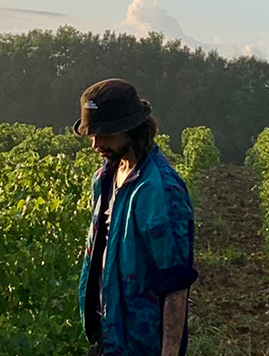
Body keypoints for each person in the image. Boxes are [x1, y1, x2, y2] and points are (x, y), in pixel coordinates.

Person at [76, 79, 197, 356]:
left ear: (130, 128)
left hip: (142, 345)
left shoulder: (161, 190)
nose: (95, 143)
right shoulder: (104, 178)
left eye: (104, 133)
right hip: (109, 336)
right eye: (92, 134)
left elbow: (175, 285)